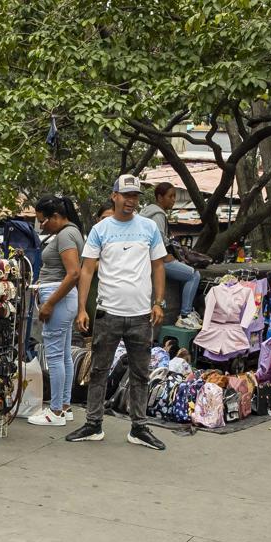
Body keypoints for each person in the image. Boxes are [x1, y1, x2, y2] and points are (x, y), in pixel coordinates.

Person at [67, 174, 169, 451]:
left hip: (140, 315)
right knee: (99, 369)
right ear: (114, 196)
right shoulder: (101, 230)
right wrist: (81, 309)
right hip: (107, 312)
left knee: (141, 373)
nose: (131, 201)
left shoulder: (149, 227)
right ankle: (93, 423)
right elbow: (87, 270)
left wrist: (158, 302)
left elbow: (159, 266)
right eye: (126, 195)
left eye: (135, 196)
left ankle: (139, 427)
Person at [29, 194, 82, 427]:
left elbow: (73, 273)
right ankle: (65, 406)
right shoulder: (70, 232)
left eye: (43, 220)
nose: (41, 226)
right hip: (63, 298)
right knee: (63, 355)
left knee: (54, 356)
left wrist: (49, 303)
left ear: (57, 217)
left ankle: (56, 411)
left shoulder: (66, 234)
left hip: (58, 299)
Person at [142, 182, 203, 328]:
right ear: (159, 197)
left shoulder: (146, 213)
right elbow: (159, 239)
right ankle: (185, 314)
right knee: (194, 274)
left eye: (174, 196)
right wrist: (165, 256)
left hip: (147, 258)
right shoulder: (158, 215)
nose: (174, 200)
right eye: (170, 196)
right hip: (157, 261)